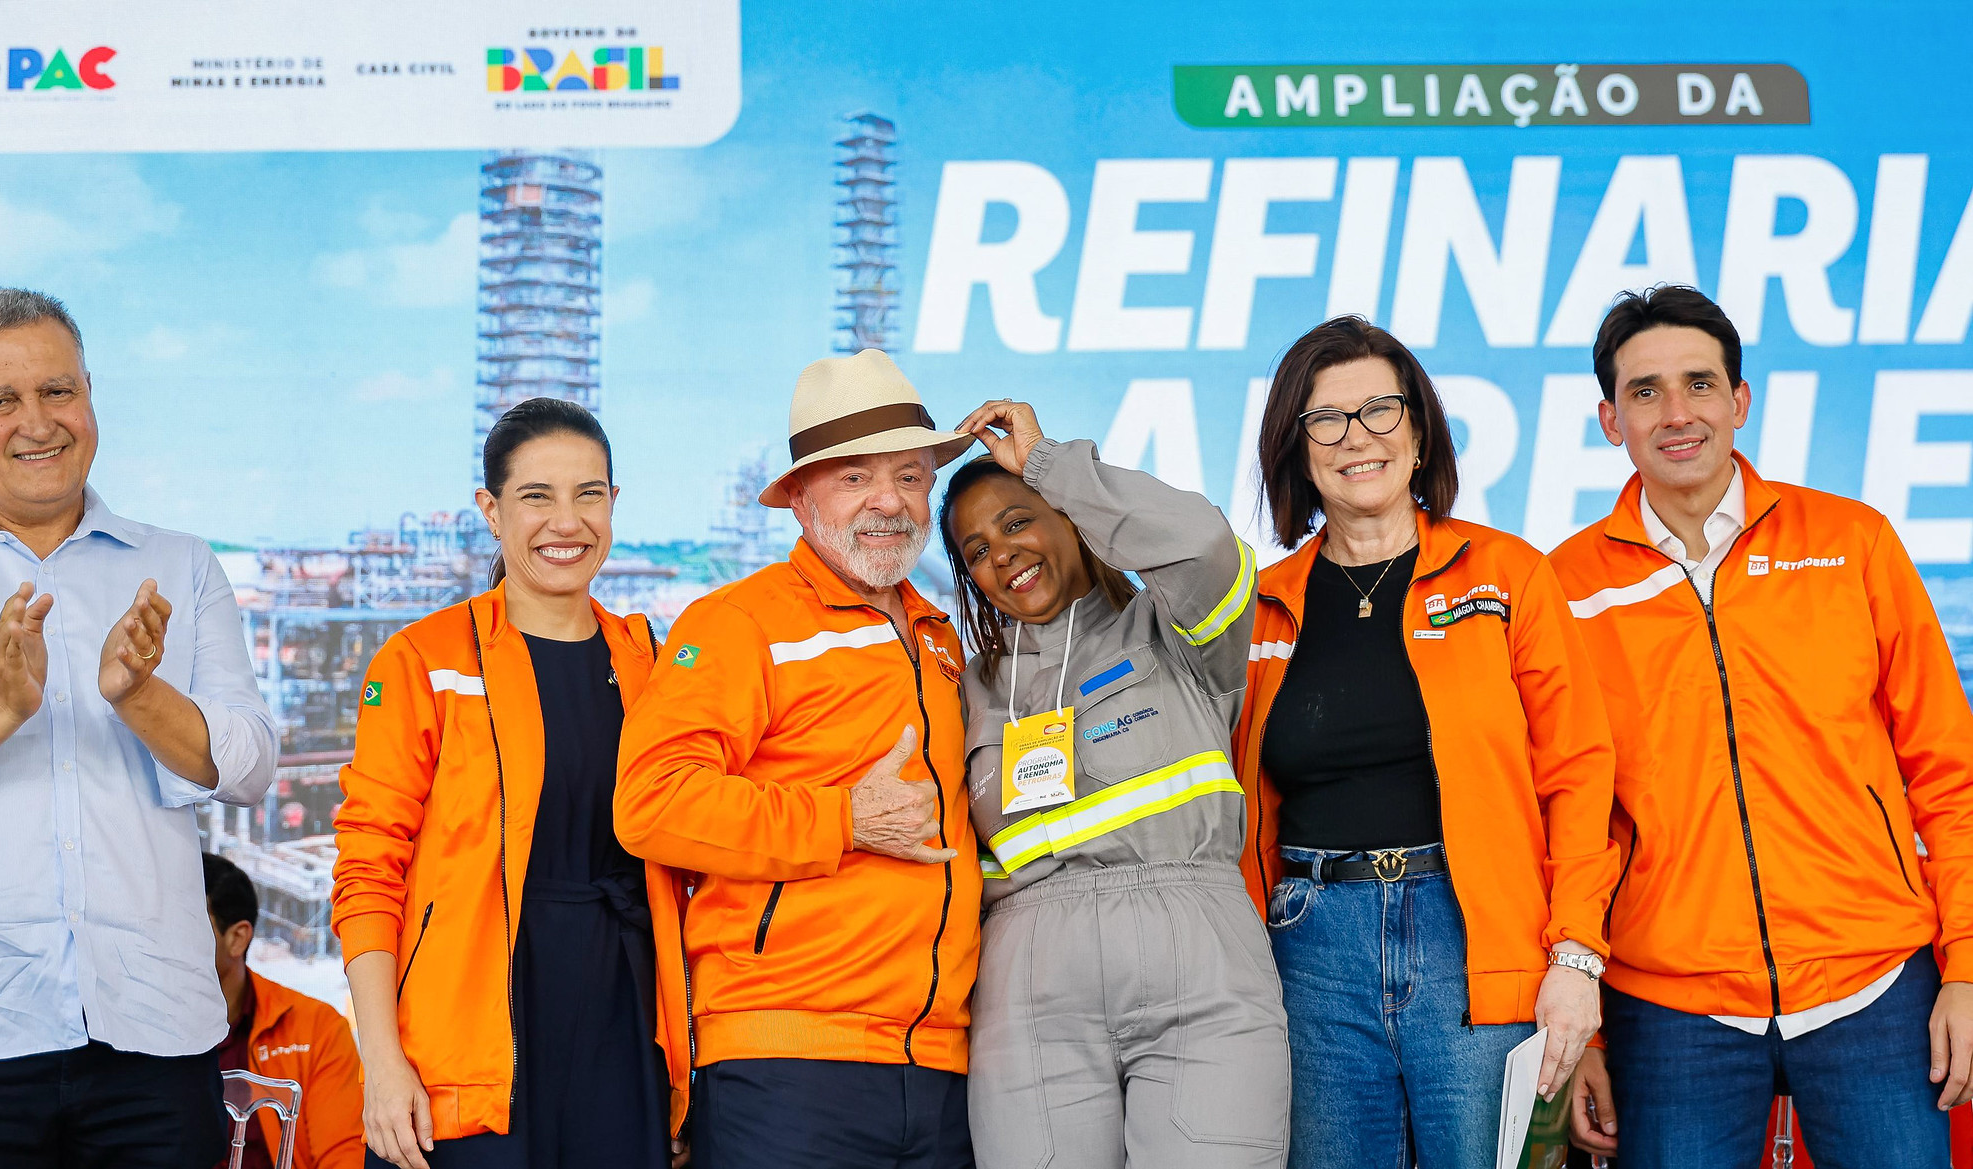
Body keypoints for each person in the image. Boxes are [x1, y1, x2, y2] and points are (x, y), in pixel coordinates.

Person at [1550, 285, 1973, 1167]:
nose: (1676, 413)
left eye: (1699, 383)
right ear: (1609, 420)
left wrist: (1967, 964)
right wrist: (1583, 1027)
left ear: (1739, 400)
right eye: (1644, 391)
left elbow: (1949, 768)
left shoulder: (1851, 541)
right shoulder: (1564, 589)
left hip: (1874, 983)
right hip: (1668, 1007)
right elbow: (1565, 821)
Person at [1233, 316, 1619, 1168]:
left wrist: (1575, 956)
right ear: (1295, 450)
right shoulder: (1258, 606)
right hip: (1307, 947)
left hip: (1476, 939)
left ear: (1418, 433)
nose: (1355, 436)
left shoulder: (1507, 574)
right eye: (1325, 419)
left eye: (1379, 410)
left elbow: (1578, 774)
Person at [0, 288, 279, 1167]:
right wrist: (3, 706)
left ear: (90, 396)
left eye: (59, 390)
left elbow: (249, 766)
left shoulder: (179, 564)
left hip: (155, 1033)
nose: (37, 422)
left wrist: (139, 695)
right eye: (0, 400)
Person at [616, 348, 981, 1169]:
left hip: (945, 1068)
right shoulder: (738, 622)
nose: (888, 500)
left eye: (910, 476)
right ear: (799, 497)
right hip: (787, 1061)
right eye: (854, 477)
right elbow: (651, 802)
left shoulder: (942, 641)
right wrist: (843, 818)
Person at [332, 398, 689, 1169]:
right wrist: (382, 1062)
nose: (567, 521)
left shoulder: (649, 663)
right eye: (536, 496)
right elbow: (367, 872)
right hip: (469, 1036)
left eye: (588, 494)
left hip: (620, 1025)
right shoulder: (424, 661)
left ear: (614, 503)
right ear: (491, 511)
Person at [940, 399, 1290, 1168]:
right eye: (975, 550)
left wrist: (1047, 464)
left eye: (1017, 521)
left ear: (1071, 517)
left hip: (1199, 956)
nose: (1001, 554)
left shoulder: (1176, 631)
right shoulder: (968, 691)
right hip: (1027, 986)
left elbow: (1200, 540)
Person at [204, 851, 365, 1169]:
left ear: (237, 938)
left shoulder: (317, 1028)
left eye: (186, 926)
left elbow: (345, 1155)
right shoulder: (130, 1032)